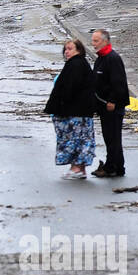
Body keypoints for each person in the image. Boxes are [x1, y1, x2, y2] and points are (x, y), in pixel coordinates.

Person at [44, 39, 97, 179]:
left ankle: (76, 168)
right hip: (81, 111)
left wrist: (60, 105)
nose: (66, 52)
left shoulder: (76, 65)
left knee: (73, 139)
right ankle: (80, 169)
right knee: (82, 139)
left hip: (74, 112)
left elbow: (69, 89)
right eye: (65, 49)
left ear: (79, 50)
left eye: (70, 49)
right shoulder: (79, 64)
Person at [90, 28, 130, 178]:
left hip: (112, 106)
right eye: (93, 40)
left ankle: (113, 166)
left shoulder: (112, 58)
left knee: (113, 138)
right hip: (104, 105)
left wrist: (113, 101)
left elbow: (118, 82)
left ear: (105, 41)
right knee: (110, 138)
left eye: (96, 41)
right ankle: (115, 166)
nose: (93, 44)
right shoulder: (101, 57)